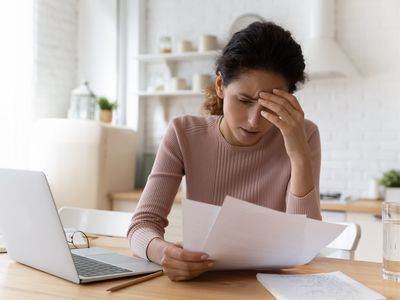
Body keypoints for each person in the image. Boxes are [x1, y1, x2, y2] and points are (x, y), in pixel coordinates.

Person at [127, 21, 322, 281]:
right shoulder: (183, 133)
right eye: (244, 101)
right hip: (203, 283)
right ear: (220, 85)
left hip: (274, 287)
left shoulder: (303, 135)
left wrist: (298, 153)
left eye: (270, 106)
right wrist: (163, 252)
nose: (255, 120)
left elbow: (304, 243)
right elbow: (142, 225)